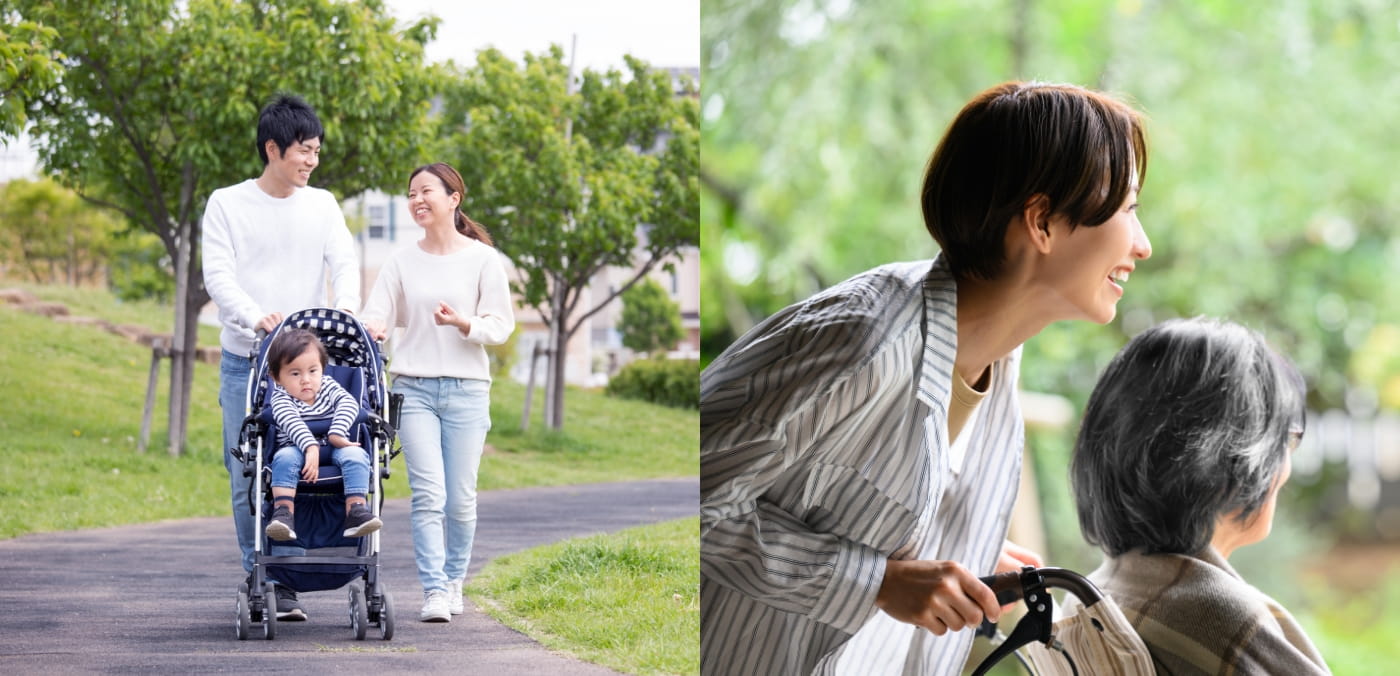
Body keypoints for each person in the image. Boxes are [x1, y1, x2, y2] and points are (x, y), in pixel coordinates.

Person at [700, 80, 1152, 675]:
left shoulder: (998, 360)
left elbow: (855, 503)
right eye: (1127, 210)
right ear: (1041, 222)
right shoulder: (862, 340)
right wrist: (877, 583)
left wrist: (965, 551)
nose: (1142, 246)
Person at [1070, 317, 1330, 674]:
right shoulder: (1219, 619)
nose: (1286, 463)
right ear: (1232, 458)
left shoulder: (1083, 597)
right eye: (1286, 439)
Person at [201, 93, 360, 622]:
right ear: (273, 148)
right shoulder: (227, 203)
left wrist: (348, 313)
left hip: (308, 369)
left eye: (317, 150)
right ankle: (263, 576)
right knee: (249, 472)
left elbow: (345, 263)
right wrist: (256, 315)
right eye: (304, 150)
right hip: (246, 360)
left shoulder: (323, 204)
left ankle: (294, 578)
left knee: (313, 469)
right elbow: (218, 276)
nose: (312, 160)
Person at [360, 162, 515, 623]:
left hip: (467, 390)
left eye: (426, 191)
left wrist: (464, 323)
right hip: (414, 389)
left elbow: (501, 326)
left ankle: (453, 582)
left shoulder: (484, 260)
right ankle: (432, 591)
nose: (416, 201)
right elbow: (378, 313)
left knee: (461, 497)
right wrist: (376, 325)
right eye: (410, 194)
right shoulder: (401, 260)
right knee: (429, 494)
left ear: (454, 198)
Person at [262, 328, 382, 542]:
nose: (306, 380)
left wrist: (336, 433)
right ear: (276, 378)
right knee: (283, 458)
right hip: (296, 448)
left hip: (335, 445)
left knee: (356, 455)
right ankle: (283, 513)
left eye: (313, 371)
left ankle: (356, 510)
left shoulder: (328, 386)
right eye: (295, 373)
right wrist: (310, 446)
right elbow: (292, 422)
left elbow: (348, 404)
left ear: (323, 370)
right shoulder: (280, 398)